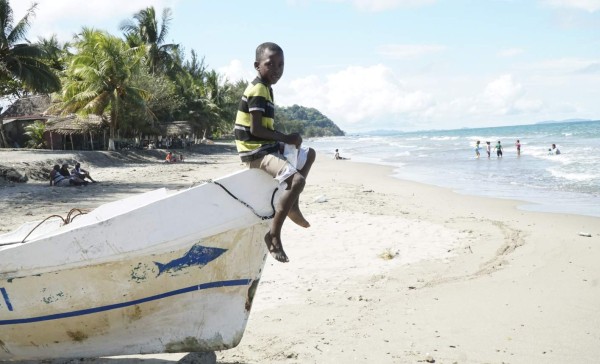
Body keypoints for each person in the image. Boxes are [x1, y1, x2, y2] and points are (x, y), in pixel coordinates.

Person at [234, 42, 316, 263]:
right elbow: (257, 129)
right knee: (297, 180)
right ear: (257, 65)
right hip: (255, 152)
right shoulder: (259, 89)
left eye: (281, 65)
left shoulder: (267, 88)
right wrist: (287, 138)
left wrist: (288, 140)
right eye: (270, 64)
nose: (277, 70)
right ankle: (273, 235)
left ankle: (292, 204)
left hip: (264, 146)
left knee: (309, 154)